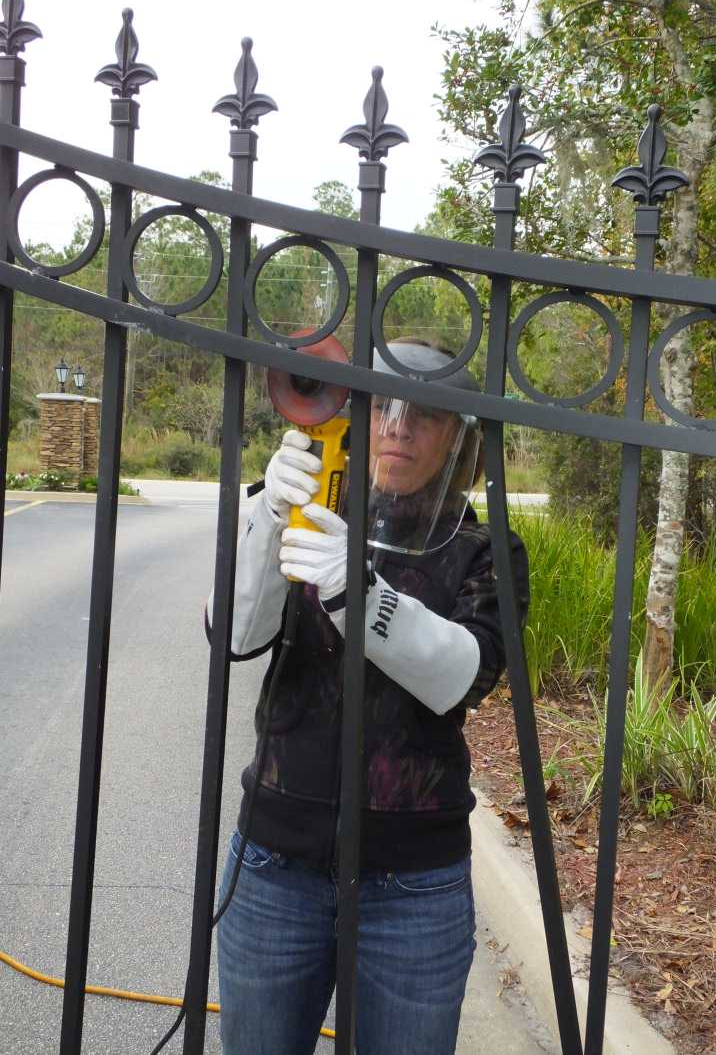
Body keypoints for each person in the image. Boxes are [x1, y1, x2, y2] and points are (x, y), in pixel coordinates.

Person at [208, 338, 530, 1055]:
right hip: (274, 866)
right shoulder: (309, 504)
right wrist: (267, 517)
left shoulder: (484, 551)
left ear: (458, 438)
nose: (397, 426)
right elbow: (233, 633)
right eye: (381, 404)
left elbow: (465, 675)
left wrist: (362, 595)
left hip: (413, 886)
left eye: (425, 414)